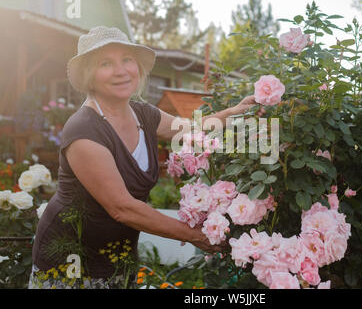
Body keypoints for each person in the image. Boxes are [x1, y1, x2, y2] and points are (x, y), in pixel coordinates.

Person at [29, 26, 263, 289]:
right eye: (106, 63)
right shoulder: (84, 129)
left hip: (119, 258)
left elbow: (191, 129)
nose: (121, 71)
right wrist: (195, 236)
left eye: (127, 60)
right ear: (89, 76)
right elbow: (122, 208)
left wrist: (234, 111)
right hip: (70, 265)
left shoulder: (143, 114)